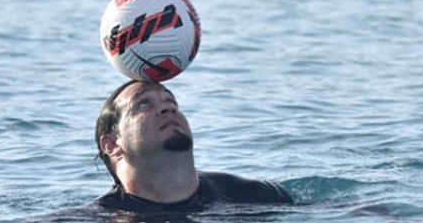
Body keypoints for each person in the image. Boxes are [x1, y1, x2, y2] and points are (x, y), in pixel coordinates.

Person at [94, 80, 293, 213]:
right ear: (112, 144)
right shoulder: (93, 222)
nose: (167, 107)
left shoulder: (258, 197)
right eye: (144, 103)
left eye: (171, 102)